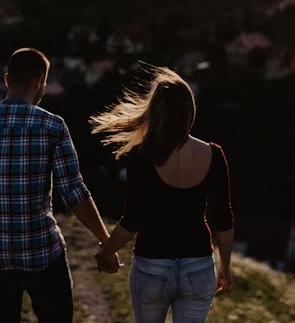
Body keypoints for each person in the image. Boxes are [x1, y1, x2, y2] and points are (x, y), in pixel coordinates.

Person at [0, 47, 119, 323]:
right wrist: (105, 241)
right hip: (43, 252)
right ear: (39, 81)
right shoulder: (52, 126)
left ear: (6, 80)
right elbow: (74, 193)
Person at [91, 65, 235, 323]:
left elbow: (132, 220)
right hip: (198, 266)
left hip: (152, 267)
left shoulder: (142, 155)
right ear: (189, 110)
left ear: (155, 112)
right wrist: (225, 266)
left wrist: (105, 252)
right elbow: (223, 219)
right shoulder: (214, 154)